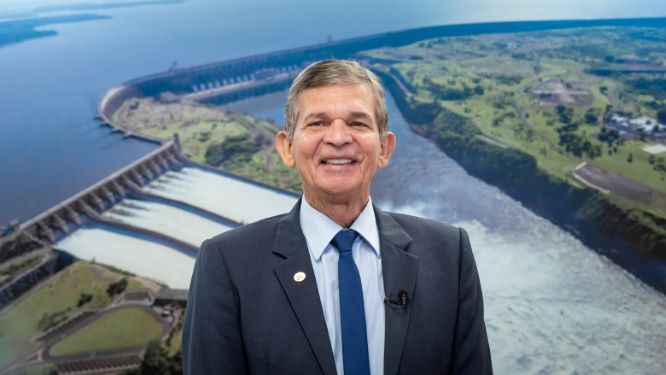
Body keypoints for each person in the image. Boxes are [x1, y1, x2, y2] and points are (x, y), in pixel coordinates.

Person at [182, 59, 492, 375]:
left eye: (358, 123)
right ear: (287, 148)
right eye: (318, 123)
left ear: (385, 148)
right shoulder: (227, 264)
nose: (339, 138)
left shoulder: (449, 254)